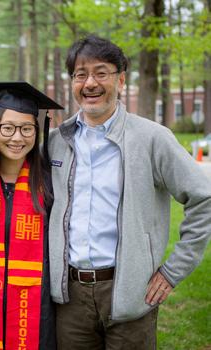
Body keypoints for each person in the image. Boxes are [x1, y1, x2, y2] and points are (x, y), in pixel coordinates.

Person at [47, 34, 211, 349]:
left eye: (101, 73)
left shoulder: (152, 138)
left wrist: (173, 271)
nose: (90, 83)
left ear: (121, 79)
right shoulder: (56, 141)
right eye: (81, 75)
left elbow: (203, 198)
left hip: (131, 292)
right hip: (69, 298)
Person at [0, 82, 63, 350]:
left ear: (37, 131)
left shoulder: (49, 183)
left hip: (35, 308)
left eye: (26, 129)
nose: (17, 138)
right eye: (7, 128)